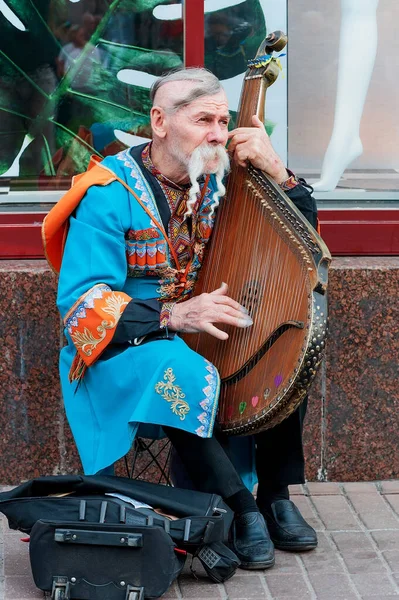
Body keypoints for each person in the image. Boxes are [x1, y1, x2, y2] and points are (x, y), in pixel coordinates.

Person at [43, 67, 318, 570]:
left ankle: (275, 496)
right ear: (160, 122)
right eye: (203, 120)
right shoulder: (108, 192)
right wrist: (173, 314)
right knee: (177, 363)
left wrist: (279, 173)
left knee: (288, 335)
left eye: (222, 120)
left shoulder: (218, 176)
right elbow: (81, 303)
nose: (217, 133)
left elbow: (300, 239)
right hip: (125, 345)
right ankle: (238, 508)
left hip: (203, 328)